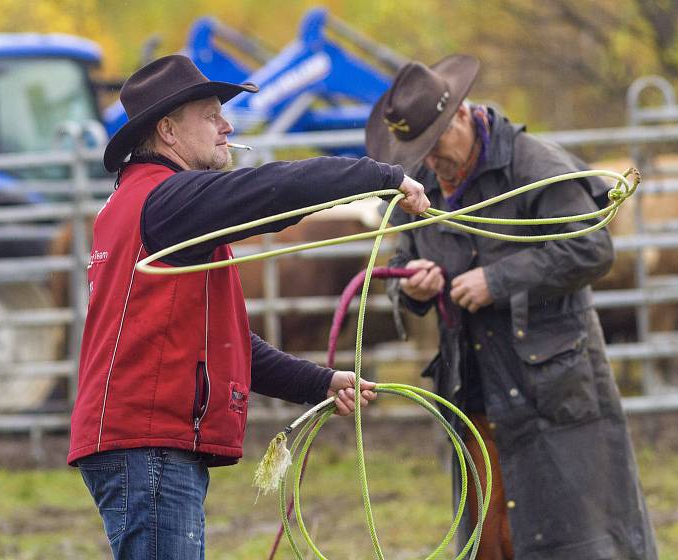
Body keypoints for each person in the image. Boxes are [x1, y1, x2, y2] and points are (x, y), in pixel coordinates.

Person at [67, 54, 429, 559]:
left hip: (141, 440)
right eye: (211, 115)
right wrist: (377, 177)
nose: (227, 126)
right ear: (168, 131)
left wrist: (316, 382)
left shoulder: (147, 204)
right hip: (147, 443)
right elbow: (267, 192)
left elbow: (222, 341)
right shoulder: (168, 201)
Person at [366, 55, 657, 560]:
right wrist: (411, 289)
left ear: (461, 115)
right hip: (475, 392)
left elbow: (592, 249)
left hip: (553, 391)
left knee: (578, 539)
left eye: (435, 147)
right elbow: (401, 262)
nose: (431, 162)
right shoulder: (423, 189)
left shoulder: (535, 165)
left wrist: (499, 280)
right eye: (421, 153)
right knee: (491, 542)